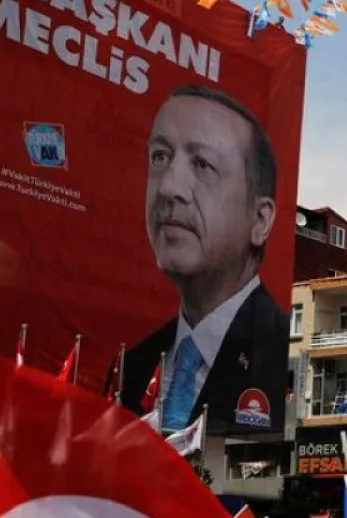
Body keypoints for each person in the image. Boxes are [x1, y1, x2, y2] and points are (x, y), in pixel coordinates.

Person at [121, 83, 289, 432]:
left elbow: (253, 475)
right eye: (160, 157)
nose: (169, 187)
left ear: (260, 221)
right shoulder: (131, 366)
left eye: (203, 164)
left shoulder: (277, 356)